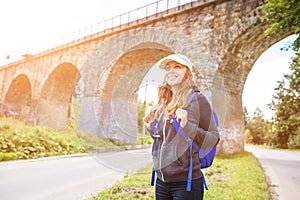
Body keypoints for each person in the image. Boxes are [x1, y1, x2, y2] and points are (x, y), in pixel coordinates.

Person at [144, 54, 220, 200]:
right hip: (161, 181)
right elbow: (168, 138)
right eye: (168, 68)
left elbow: (213, 138)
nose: (171, 71)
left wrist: (187, 125)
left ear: (187, 73)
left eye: (177, 67)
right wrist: (151, 129)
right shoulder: (164, 103)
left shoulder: (198, 100)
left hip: (186, 183)